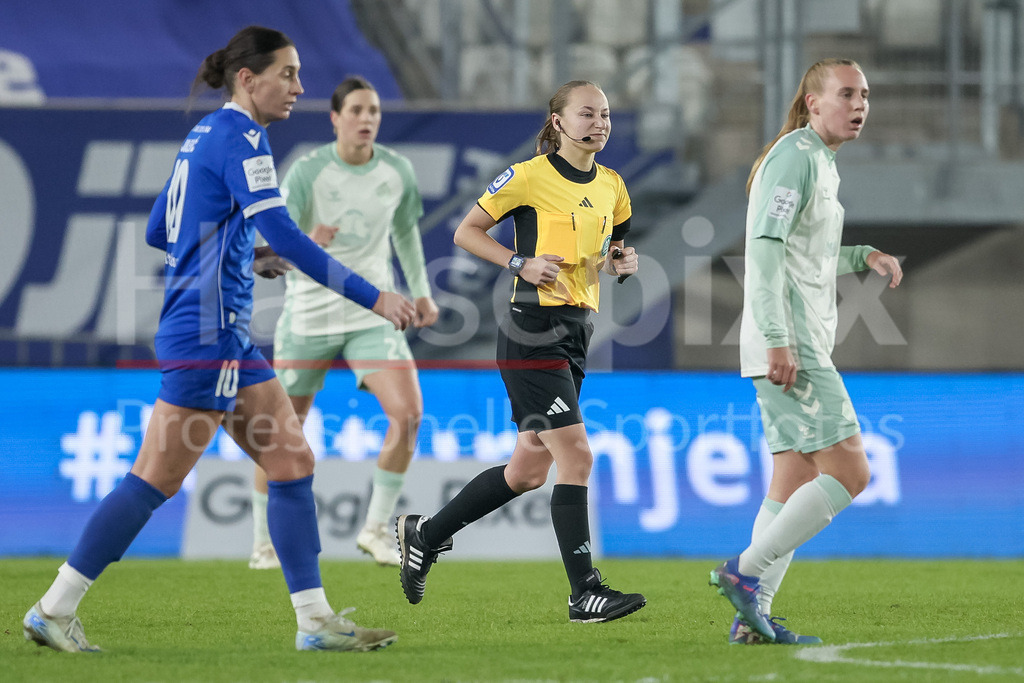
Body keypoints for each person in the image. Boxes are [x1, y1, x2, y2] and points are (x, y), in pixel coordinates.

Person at [22, 26, 414, 654]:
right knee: (154, 479)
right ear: (248, 79)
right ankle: (54, 608)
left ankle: (315, 621)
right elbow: (286, 233)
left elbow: (161, 228)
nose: (299, 86)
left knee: (292, 463)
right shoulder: (242, 137)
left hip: (218, 335)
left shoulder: (203, 134)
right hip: (210, 335)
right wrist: (375, 297)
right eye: (287, 73)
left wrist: (239, 253)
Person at [396, 80, 647, 624]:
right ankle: (585, 593)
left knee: (528, 471)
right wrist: (519, 263)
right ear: (558, 122)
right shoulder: (528, 175)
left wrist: (620, 264)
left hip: (575, 331)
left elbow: (612, 250)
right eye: (587, 114)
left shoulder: (613, 185)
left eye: (605, 114)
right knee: (576, 456)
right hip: (530, 331)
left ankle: (426, 535)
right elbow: (467, 232)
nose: (599, 124)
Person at [709, 58, 903, 645]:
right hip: (790, 341)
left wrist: (863, 255)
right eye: (847, 94)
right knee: (852, 471)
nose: (859, 105)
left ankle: (753, 619)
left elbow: (806, 253)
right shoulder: (796, 156)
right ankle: (744, 572)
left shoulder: (817, 159)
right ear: (813, 103)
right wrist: (778, 337)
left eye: (865, 95)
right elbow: (765, 247)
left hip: (795, 338)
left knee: (793, 479)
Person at [248, 76, 438, 570]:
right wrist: (307, 240)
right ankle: (263, 542)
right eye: (356, 110)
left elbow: (406, 233)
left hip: (372, 312)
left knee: (408, 415)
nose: (366, 118)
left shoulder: (397, 170)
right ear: (335, 118)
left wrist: (421, 291)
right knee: (281, 431)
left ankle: (374, 530)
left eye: (373, 110)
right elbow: (275, 244)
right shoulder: (308, 171)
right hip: (310, 314)